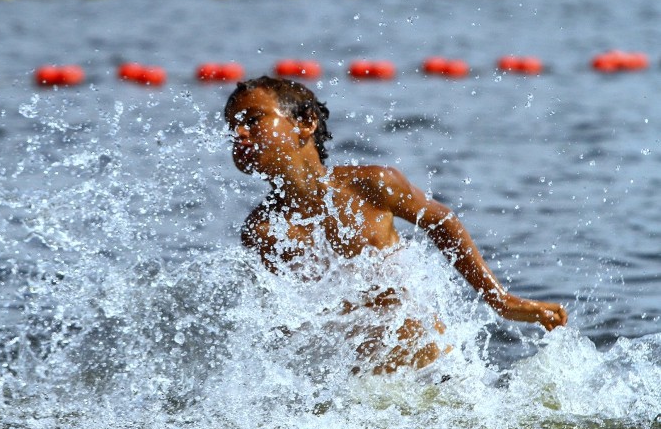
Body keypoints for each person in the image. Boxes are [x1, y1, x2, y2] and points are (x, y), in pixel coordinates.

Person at [224, 76, 567, 374]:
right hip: (362, 393)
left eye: (253, 120)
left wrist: (501, 300)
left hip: (436, 373)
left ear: (306, 123)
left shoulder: (371, 185)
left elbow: (441, 221)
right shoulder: (264, 231)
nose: (239, 133)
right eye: (232, 126)